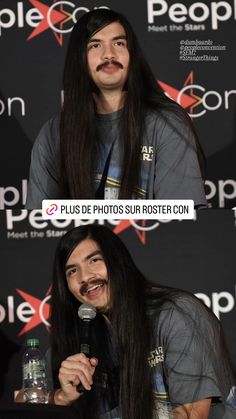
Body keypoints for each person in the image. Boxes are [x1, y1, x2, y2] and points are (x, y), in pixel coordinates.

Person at [43, 224, 235, 419]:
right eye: (72, 271)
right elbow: (21, 402)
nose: (85, 277)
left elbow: (192, 415)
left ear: (117, 261)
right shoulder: (81, 338)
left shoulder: (175, 314)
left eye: (94, 260)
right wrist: (62, 397)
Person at [25, 9, 207, 209]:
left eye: (119, 43)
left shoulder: (167, 124)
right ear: (79, 59)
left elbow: (181, 217)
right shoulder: (53, 134)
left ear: (132, 55)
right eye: (95, 45)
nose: (109, 54)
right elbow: (39, 220)